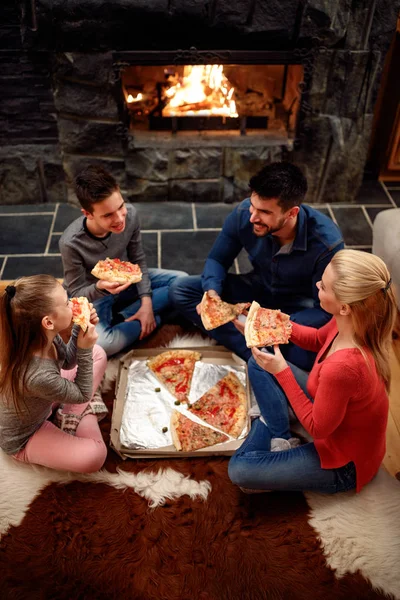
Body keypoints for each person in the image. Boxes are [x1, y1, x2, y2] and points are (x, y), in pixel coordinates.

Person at [228, 250, 397, 494]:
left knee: (240, 470)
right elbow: (318, 338)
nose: (317, 284)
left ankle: (267, 420)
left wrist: (283, 371)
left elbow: (318, 429)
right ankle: (279, 433)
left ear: (345, 307)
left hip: (344, 463)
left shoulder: (344, 367)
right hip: (327, 404)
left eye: (324, 287)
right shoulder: (353, 323)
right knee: (257, 363)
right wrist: (267, 324)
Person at [169, 161, 344, 371]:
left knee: (310, 358)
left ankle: (254, 348)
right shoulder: (244, 213)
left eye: (264, 212)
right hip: (256, 289)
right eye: (253, 205)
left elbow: (325, 311)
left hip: (296, 307)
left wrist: (269, 325)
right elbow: (217, 260)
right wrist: (212, 295)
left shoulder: (327, 244)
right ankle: (255, 353)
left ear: (291, 212)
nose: (252, 216)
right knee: (181, 290)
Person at [59, 165, 187, 357]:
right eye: (108, 215)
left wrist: (146, 303)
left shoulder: (131, 214)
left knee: (183, 281)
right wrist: (101, 287)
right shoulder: (70, 243)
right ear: (88, 214)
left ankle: (130, 315)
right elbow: (76, 294)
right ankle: (155, 319)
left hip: (127, 282)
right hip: (95, 297)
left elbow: (138, 259)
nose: (120, 218)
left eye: (120, 207)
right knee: (102, 346)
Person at [0, 275, 108, 473]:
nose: (73, 304)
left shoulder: (43, 336)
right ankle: (82, 413)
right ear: (48, 322)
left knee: (98, 352)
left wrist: (79, 327)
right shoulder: (36, 375)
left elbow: (67, 362)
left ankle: (69, 412)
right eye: (67, 303)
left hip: (45, 398)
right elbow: (83, 393)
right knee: (95, 456)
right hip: (28, 435)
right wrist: (84, 349)